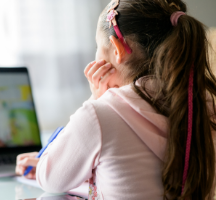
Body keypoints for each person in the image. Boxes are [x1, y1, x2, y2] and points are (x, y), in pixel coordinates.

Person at [16, 0, 216, 199]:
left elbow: (51, 180)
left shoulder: (100, 113)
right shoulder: (203, 103)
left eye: (98, 45)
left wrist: (94, 100)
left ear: (117, 48)